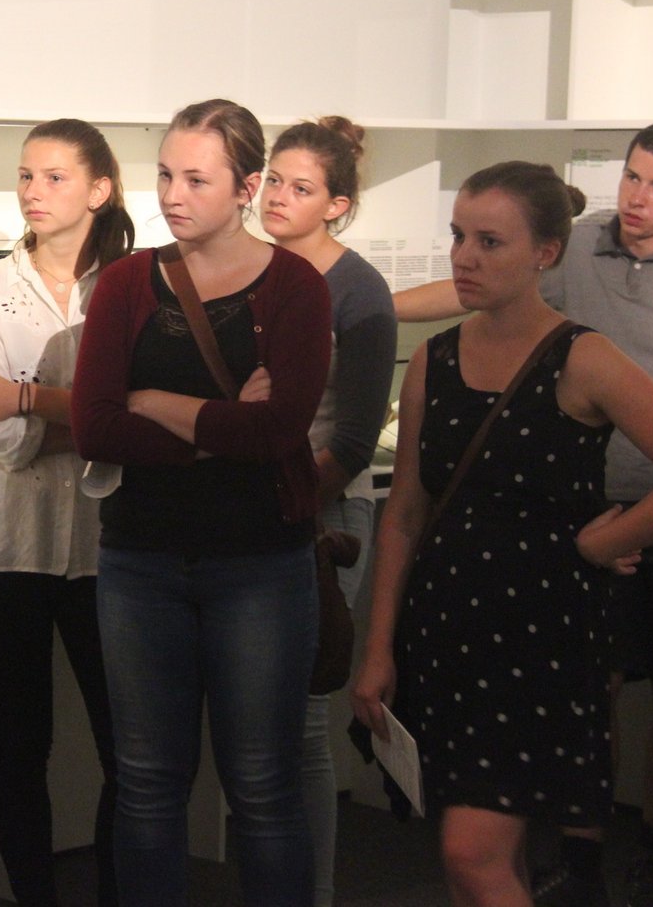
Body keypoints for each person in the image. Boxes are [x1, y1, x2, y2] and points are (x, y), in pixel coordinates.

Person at [393, 123, 653, 906]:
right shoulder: (577, 250)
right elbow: (469, 286)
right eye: (633, 177)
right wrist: (357, 304)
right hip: (584, 513)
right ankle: (581, 858)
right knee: (590, 687)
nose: (639, 196)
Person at [71, 98, 331, 906]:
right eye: (164, 175)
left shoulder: (294, 287)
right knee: (147, 781)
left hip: (260, 564)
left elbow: (279, 428)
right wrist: (221, 429)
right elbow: (93, 425)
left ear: (247, 187)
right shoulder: (126, 282)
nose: (172, 195)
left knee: (262, 784)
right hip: (141, 558)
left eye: (195, 179)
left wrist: (157, 403)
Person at [0, 118, 134, 906]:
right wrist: (96, 421)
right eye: (26, 175)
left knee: (129, 750)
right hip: (2, 548)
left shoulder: (133, 288)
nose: (33, 191)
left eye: (55, 177)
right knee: (19, 746)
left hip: (106, 551)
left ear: (99, 189)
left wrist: (29, 401)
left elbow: (142, 421)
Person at [259, 116, 397, 907]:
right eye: (274, 180)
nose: (278, 197)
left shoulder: (357, 290)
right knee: (259, 719)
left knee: (304, 717)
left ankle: (313, 892)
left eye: (301, 188)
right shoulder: (251, 271)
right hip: (253, 510)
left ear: (337, 205)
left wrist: (285, 496)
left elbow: (351, 438)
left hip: (323, 517)